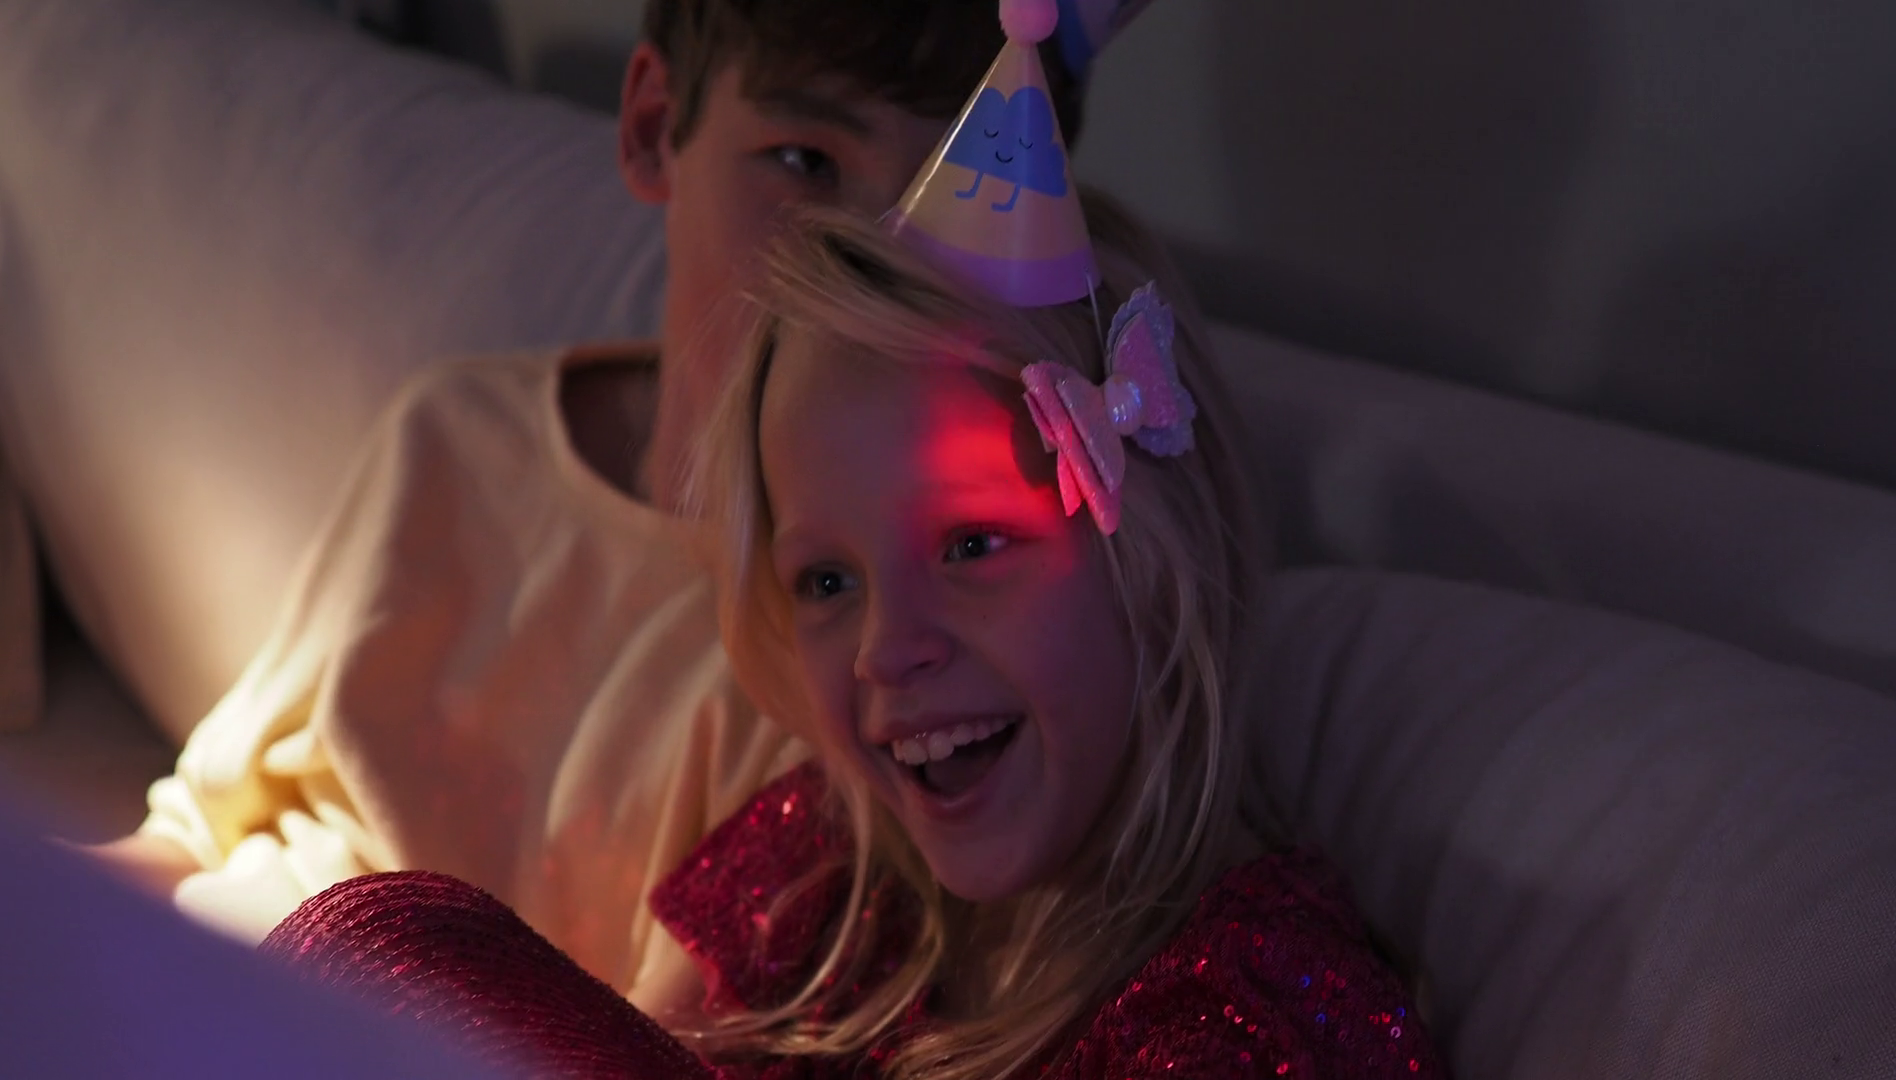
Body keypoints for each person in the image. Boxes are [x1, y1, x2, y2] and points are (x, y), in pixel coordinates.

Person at [260, 11, 1443, 1075]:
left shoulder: (1251, 1015)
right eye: (827, 579)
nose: (885, 648)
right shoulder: (825, 880)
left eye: (972, 545)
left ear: (1154, 562)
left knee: (404, 947)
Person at [87, 0, 1098, 1017]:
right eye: (806, 164)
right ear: (655, 126)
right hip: (195, 975)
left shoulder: (853, 667)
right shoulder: (460, 433)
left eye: (933, 197)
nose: (864, 252)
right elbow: (202, 828)